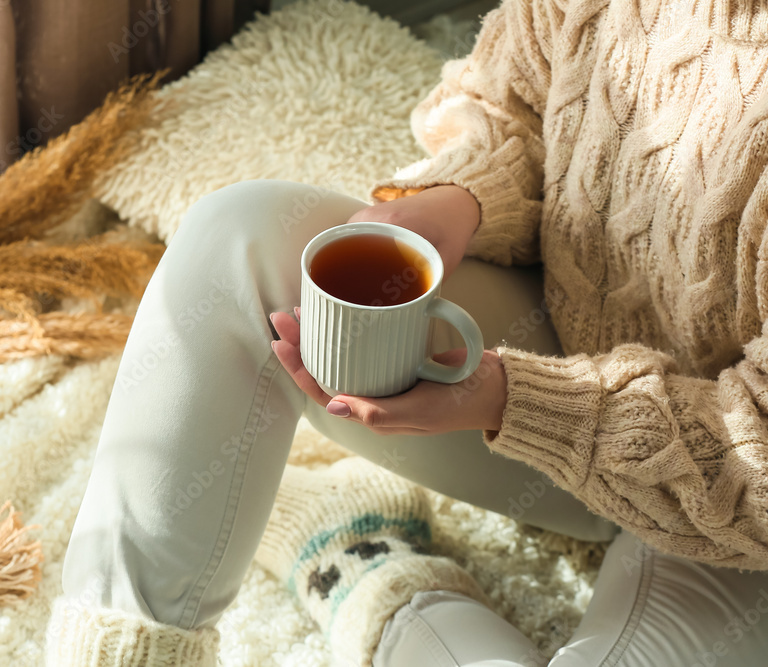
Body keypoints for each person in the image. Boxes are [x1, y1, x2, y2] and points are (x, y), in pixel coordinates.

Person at [45, 0, 768, 664]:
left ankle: (356, 560)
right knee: (239, 237)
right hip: (558, 366)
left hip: (737, 524)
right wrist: (459, 199)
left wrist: (512, 400)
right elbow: (507, 99)